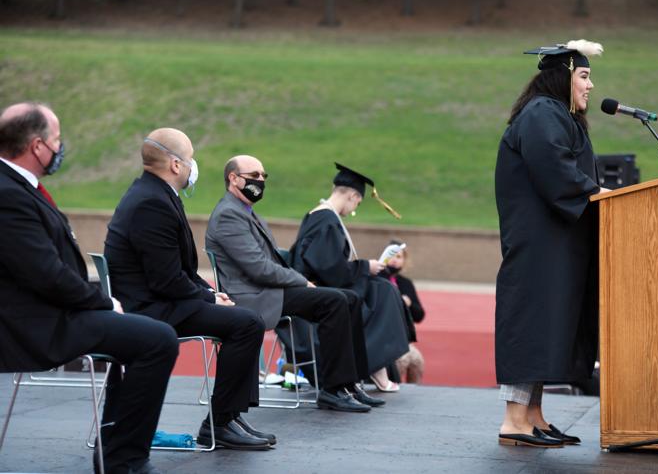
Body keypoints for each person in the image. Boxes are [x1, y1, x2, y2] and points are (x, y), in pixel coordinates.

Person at [0, 102, 179, 474]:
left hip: (51, 310)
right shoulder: (8, 194)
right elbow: (45, 274)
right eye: (57, 140)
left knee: (142, 336)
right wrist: (102, 302)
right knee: (158, 339)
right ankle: (123, 459)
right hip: (37, 324)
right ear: (37, 146)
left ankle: (116, 449)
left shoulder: (17, 186)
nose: (59, 148)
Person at [104, 128, 274, 451]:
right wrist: (208, 297)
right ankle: (220, 423)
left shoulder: (155, 194)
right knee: (247, 324)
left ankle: (229, 416)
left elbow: (180, 271)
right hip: (149, 309)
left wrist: (211, 294)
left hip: (160, 299)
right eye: (191, 158)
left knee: (243, 319)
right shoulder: (151, 203)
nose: (194, 165)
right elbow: (166, 281)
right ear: (176, 165)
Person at [494, 40, 609, 448]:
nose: (590, 85)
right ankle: (514, 422)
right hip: (538, 248)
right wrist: (600, 195)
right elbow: (556, 171)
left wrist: (598, 193)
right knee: (531, 325)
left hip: (554, 246)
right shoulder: (542, 114)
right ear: (563, 77)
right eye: (584, 75)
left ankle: (535, 417)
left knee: (547, 329)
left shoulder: (555, 114)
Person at [205, 154, 384, 412]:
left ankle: (349, 383)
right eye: (254, 176)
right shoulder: (228, 215)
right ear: (233, 179)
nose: (261, 181)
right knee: (334, 301)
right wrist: (302, 281)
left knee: (350, 298)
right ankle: (333, 390)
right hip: (253, 296)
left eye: (263, 176)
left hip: (269, 290)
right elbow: (258, 268)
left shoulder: (245, 212)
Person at [289, 163, 409, 392]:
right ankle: (376, 367)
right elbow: (331, 270)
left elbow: (330, 264)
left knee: (382, 288)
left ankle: (378, 367)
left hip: (322, 283)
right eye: (358, 202)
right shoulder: (326, 220)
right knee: (383, 293)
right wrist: (366, 266)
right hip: (317, 289)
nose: (355, 208)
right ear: (352, 196)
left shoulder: (322, 216)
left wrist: (365, 268)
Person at [378, 241, 425, 384]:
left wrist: (409, 304)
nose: (394, 260)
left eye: (399, 257)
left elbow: (419, 315)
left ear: (404, 261)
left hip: (402, 338)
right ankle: (393, 387)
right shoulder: (378, 279)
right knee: (401, 360)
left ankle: (413, 389)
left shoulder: (406, 283)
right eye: (392, 256)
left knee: (417, 361)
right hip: (384, 337)